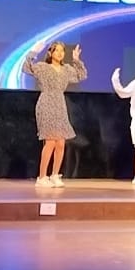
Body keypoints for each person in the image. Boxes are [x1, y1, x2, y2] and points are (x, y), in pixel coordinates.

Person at [22, 40, 88, 187]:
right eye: (56, 50)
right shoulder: (43, 67)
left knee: (60, 143)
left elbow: (82, 75)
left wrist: (76, 60)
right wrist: (33, 52)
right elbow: (26, 68)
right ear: (50, 53)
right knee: (50, 141)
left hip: (60, 104)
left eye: (62, 51)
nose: (59, 53)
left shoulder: (66, 69)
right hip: (46, 103)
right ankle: (42, 177)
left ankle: (55, 175)